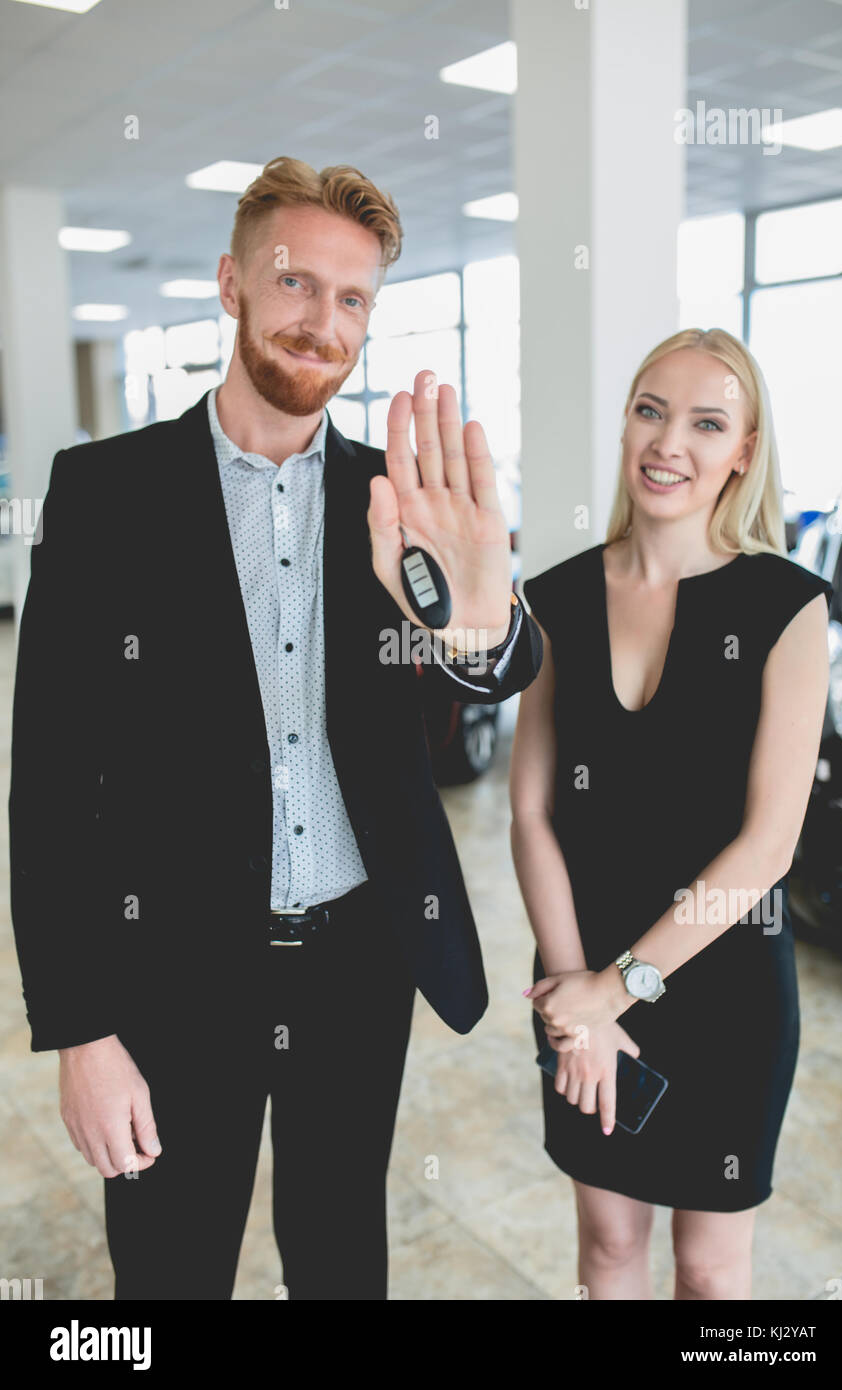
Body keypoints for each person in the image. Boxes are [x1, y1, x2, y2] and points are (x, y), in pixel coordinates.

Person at [8, 156, 542, 1301]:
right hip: (171, 969)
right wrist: (80, 1030)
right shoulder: (105, 494)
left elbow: (504, 656)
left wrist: (482, 615)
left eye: (353, 298)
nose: (322, 321)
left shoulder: (392, 495)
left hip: (357, 963)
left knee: (342, 1254)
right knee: (166, 1267)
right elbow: (49, 785)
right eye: (297, 283)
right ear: (232, 284)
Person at [510, 327, 831, 1300]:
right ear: (624, 423)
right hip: (577, 976)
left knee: (709, 1266)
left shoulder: (786, 607)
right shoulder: (556, 596)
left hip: (723, 988)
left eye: (705, 422)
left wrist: (619, 988)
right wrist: (577, 997)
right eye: (650, 409)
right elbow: (528, 810)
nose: (668, 442)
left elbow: (766, 846)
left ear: (742, 450)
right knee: (607, 1249)